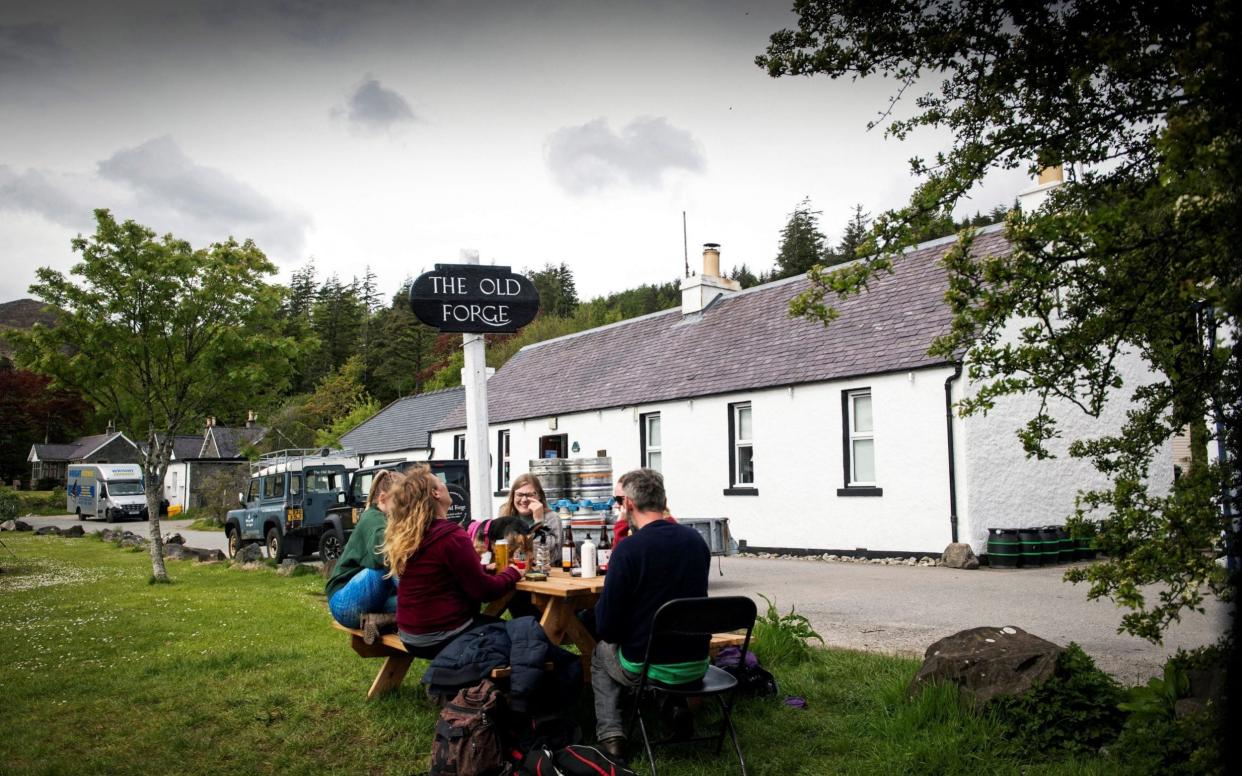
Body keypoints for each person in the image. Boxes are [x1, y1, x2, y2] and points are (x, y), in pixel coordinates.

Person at [591, 468, 710, 761]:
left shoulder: (629, 550)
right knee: (647, 642)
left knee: (600, 652)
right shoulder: (696, 541)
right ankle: (671, 707)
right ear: (664, 500)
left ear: (628, 504)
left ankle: (612, 736)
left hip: (647, 665)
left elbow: (608, 628)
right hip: (696, 662)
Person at [383, 465, 523, 657]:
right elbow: (484, 591)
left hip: (410, 635)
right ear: (436, 493)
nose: (446, 486)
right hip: (441, 635)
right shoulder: (451, 535)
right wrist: (513, 573)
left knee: (508, 631)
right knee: (524, 634)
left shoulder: (414, 534)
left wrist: (483, 568)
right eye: (442, 483)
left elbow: (441, 574)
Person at [325, 469, 399, 641]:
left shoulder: (387, 520)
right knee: (392, 564)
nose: (406, 508)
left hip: (370, 601)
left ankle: (383, 620)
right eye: (401, 503)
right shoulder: (374, 520)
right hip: (343, 601)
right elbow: (390, 557)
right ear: (383, 499)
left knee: (419, 605)